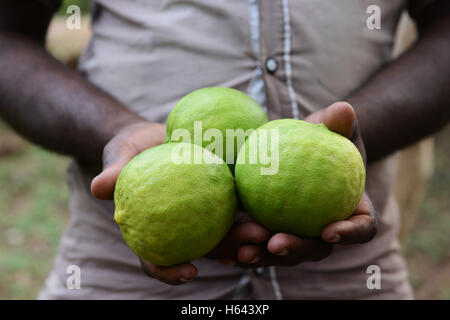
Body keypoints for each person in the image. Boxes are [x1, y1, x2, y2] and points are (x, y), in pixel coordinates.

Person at [0, 0, 449, 299]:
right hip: (114, 273)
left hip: (351, 277)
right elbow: (8, 38)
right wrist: (115, 128)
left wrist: (355, 135)